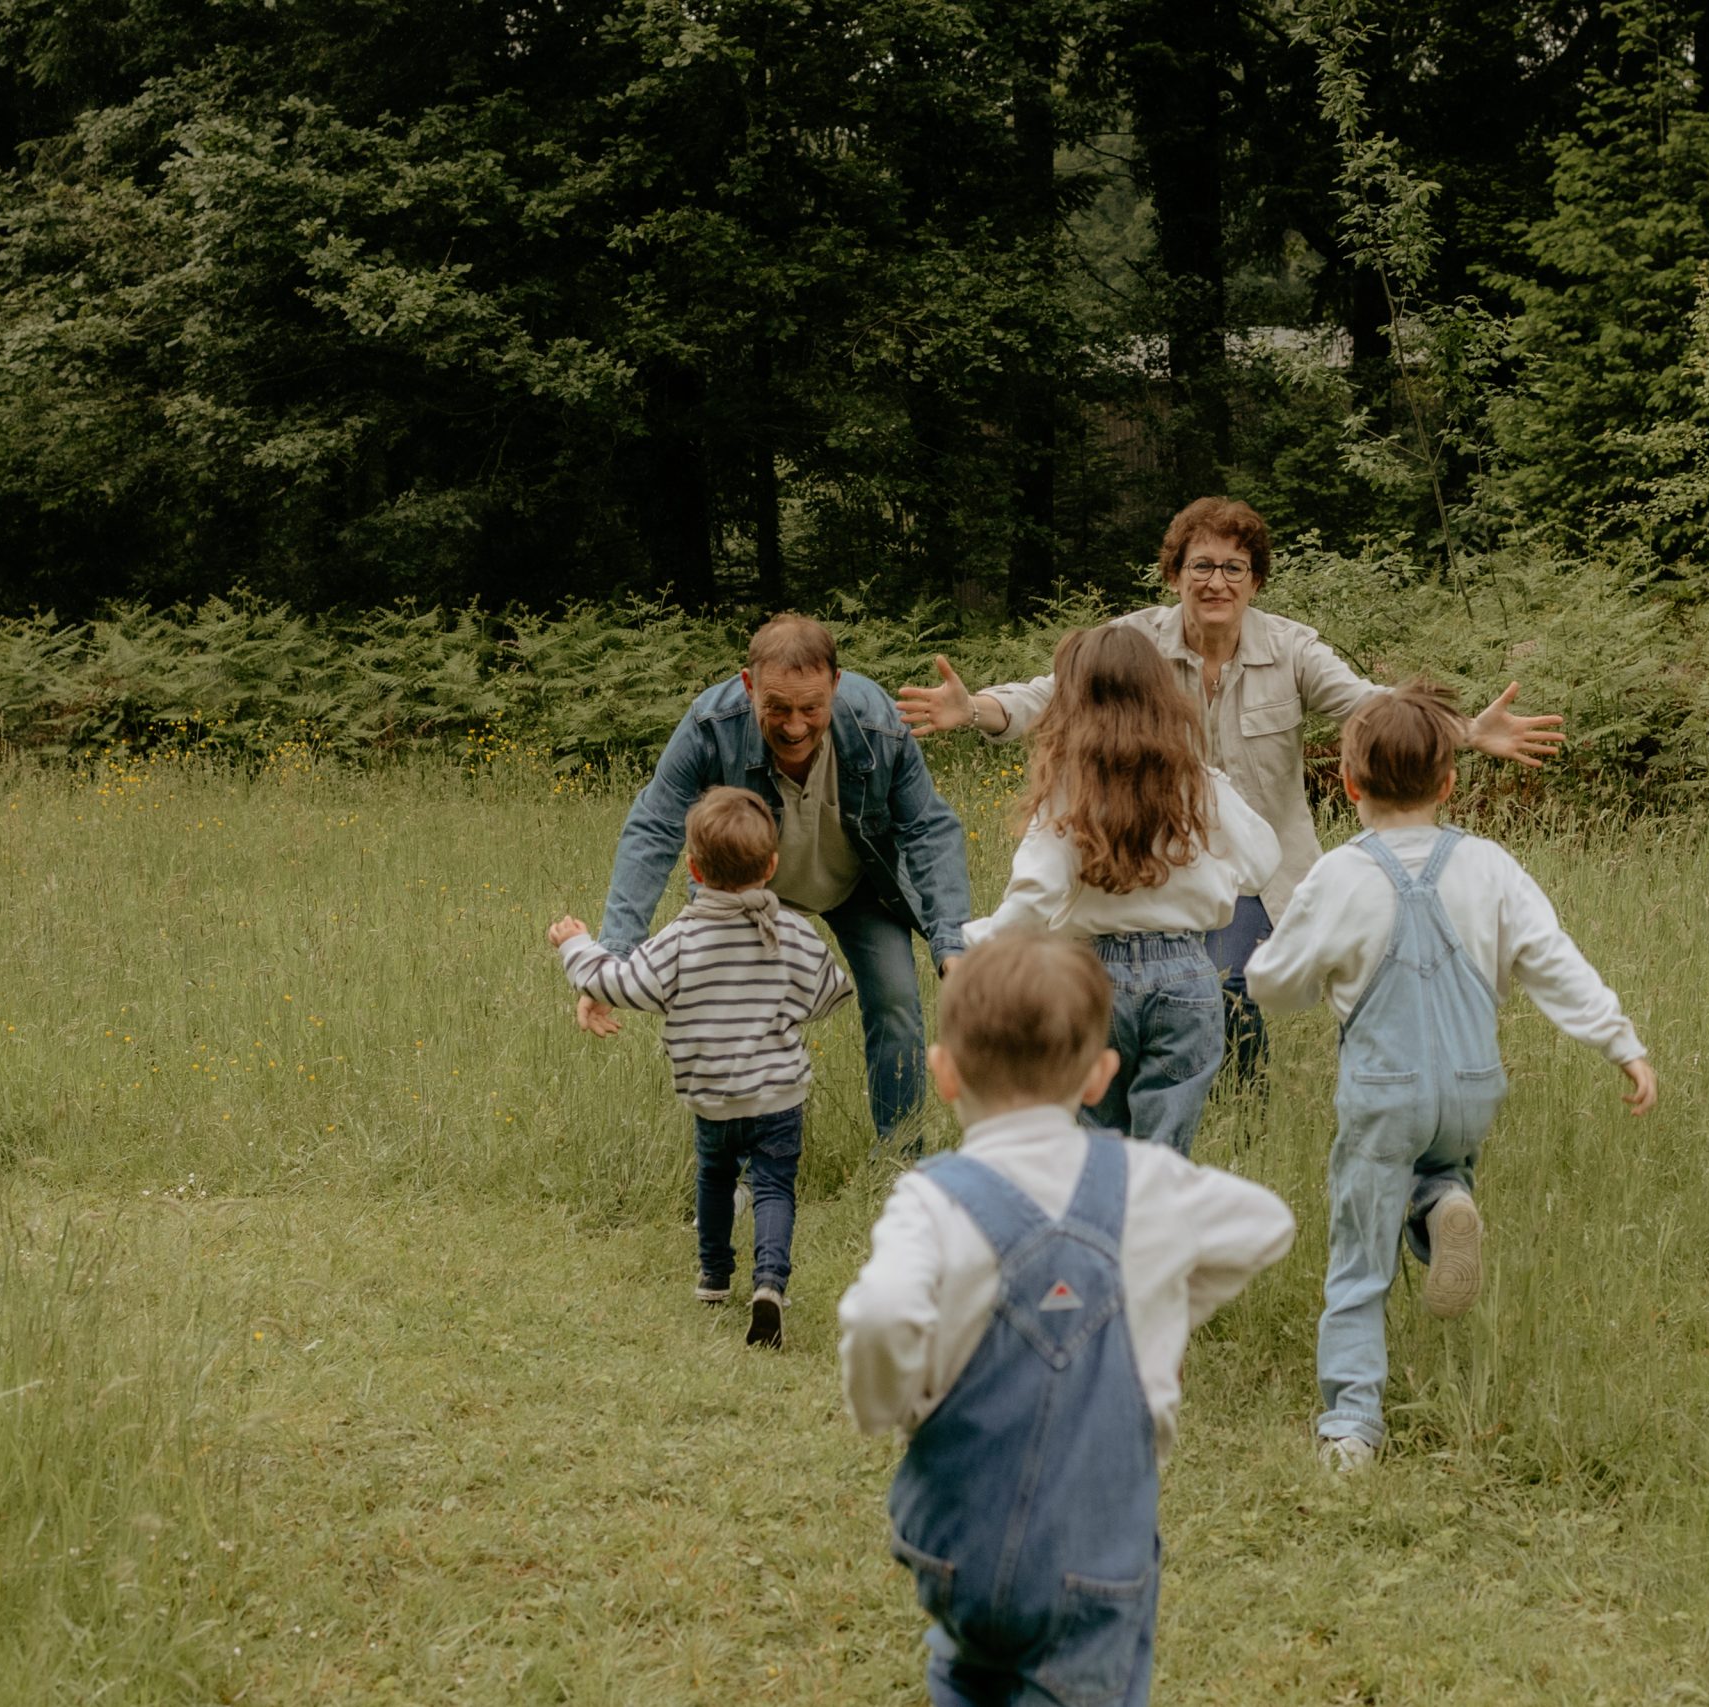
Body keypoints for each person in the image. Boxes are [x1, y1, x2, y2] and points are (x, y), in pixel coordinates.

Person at [896, 495, 1565, 1084]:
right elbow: (1050, 694)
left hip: (1264, 862)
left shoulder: (1294, 649)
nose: (1216, 581)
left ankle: (1312, 1090)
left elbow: (1370, 707)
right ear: (1175, 575)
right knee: (1193, 982)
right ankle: (1216, 1095)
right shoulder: (1133, 641)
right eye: (1201, 566)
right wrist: (975, 708)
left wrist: (1466, 730)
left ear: (1255, 580)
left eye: (1233, 568)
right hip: (1162, 861)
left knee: (1288, 972)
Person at [838, 932, 1295, 1706]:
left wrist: (884, 1402)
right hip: (1097, 1563)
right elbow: (1268, 1223)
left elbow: (883, 1310)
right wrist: (1165, 1310)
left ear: (943, 1072)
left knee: (966, 1675)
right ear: (1099, 1074)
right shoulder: (1148, 1182)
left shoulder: (931, 1197)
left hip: (958, 1553)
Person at [1244, 684, 1658, 1472]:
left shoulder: (1338, 874)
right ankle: (1444, 1203)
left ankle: (1353, 1425)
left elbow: (1275, 980)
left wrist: (1296, 978)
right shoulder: (1489, 865)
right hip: (1472, 1088)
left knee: (1359, 1255)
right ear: (1450, 783)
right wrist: (1621, 1042)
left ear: (1349, 783)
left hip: (1383, 1090)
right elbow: (1551, 959)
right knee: (1434, 1171)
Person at [588, 614, 970, 1148]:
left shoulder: (879, 725)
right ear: (749, 687)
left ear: (836, 686)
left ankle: (899, 1161)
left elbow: (928, 828)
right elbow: (652, 828)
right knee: (727, 1013)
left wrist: (953, 941)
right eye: (777, 708)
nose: (795, 726)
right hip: (740, 892)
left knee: (897, 1001)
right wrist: (613, 953)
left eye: (812, 708)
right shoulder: (709, 725)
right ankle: (742, 1169)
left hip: (858, 882)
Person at [549, 787, 852, 1349]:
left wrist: (576, 946)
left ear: (692, 868)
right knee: (773, 1187)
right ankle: (769, 1286)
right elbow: (831, 994)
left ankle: (714, 1276)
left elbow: (617, 983)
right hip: (778, 1094)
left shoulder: (682, 939)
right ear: (772, 865)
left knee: (714, 1177)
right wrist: (779, 1004)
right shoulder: (790, 931)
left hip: (711, 1095)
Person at [961, 626, 1279, 1155]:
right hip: (1186, 972)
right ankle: (1154, 1230)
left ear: (1073, 702)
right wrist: (1207, 881)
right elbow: (1262, 860)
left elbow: (1036, 892)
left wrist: (986, 943)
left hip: (1095, 980)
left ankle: (1105, 1230)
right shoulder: (1196, 781)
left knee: (1096, 1147)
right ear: (1159, 695)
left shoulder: (1069, 788)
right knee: (1163, 1156)